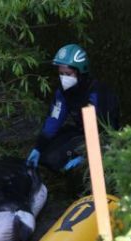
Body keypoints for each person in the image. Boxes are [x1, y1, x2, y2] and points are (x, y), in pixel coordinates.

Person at [26, 44, 119, 172]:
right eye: (61, 74)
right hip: (81, 132)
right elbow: (54, 120)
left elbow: (102, 129)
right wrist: (38, 148)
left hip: (102, 138)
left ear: (80, 72)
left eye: (68, 74)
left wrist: (85, 155)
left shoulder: (96, 93)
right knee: (46, 156)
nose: (64, 78)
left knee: (59, 160)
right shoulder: (64, 92)